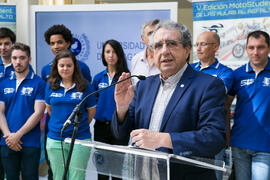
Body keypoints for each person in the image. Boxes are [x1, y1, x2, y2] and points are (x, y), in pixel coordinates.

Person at [111, 20, 226, 180]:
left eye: (171, 44)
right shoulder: (144, 85)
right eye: (158, 46)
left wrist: (163, 139)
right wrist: (122, 109)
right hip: (144, 174)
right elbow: (120, 135)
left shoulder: (208, 85)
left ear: (187, 50)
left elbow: (214, 138)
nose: (164, 51)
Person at [42, 24, 92, 179]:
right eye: (52, 43)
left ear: (68, 43)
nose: (56, 46)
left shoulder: (82, 69)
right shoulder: (46, 71)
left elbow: (88, 108)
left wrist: (78, 124)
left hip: (78, 136)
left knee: (76, 175)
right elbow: (50, 108)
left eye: (60, 42)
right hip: (55, 135)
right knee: (56, 174)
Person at [228, 30, 270, 180]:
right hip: (239, 143)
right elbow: (225, 107)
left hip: (265, 145)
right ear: (246, 49)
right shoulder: (237, 74)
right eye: (251, 47)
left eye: (261, 47)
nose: (255, 52)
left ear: (268, 48)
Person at [191, 31, 233, 180]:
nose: (198, 48)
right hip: (189, 133)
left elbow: (216, 95)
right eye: (197, 45)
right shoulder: (189, 69)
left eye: (203, 44)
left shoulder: (226, 72)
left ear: (215, 47)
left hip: (212, 133)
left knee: (213, 175)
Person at [0, 43, 46, 180]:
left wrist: (17, 135)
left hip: (30, 142)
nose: (18, 62)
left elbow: (38, 114)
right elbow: (0, 112)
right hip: (6, 142)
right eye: (14, 58)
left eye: (22, 58)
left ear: (29, 59)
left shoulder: (39, 83)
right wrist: (9, 135)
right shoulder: (3, 83)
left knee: (30, 177)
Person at [92, 39, 129, 180]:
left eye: (114, 52)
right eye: (107, 52)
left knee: (116, 172)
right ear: (103, 55)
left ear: (119, 54)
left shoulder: (126, 77)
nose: (111, 55)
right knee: (101, 170)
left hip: (119, 128)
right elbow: (93, 102)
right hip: (101, 127)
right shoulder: (98, 78)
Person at [0, 27, 16, 180]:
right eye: (0, 44)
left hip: (11, 125)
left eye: (6, 43)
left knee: (11, 171)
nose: (3, 47)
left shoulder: (20, 65)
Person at [131, 19, 160, 85]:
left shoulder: (167, 59)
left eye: (156, 33)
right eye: (150, 33)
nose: (153, 36)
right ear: (143, 39)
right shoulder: (135, 59)